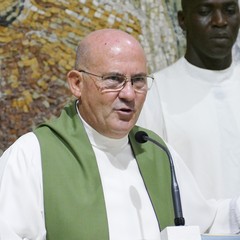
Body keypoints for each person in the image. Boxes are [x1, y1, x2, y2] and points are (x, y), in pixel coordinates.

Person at [0, 29, 240, 240]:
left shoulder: (154, 150)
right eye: (114, 79)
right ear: (76, 83)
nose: (129, 94)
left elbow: (206, 220)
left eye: (138, 81)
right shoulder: (32, 156)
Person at [138, 0, 240, 200]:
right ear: (182, 20)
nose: (220, 21)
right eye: (205, 11)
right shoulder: (155, 92)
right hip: (195, 230)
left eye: (229, 11)